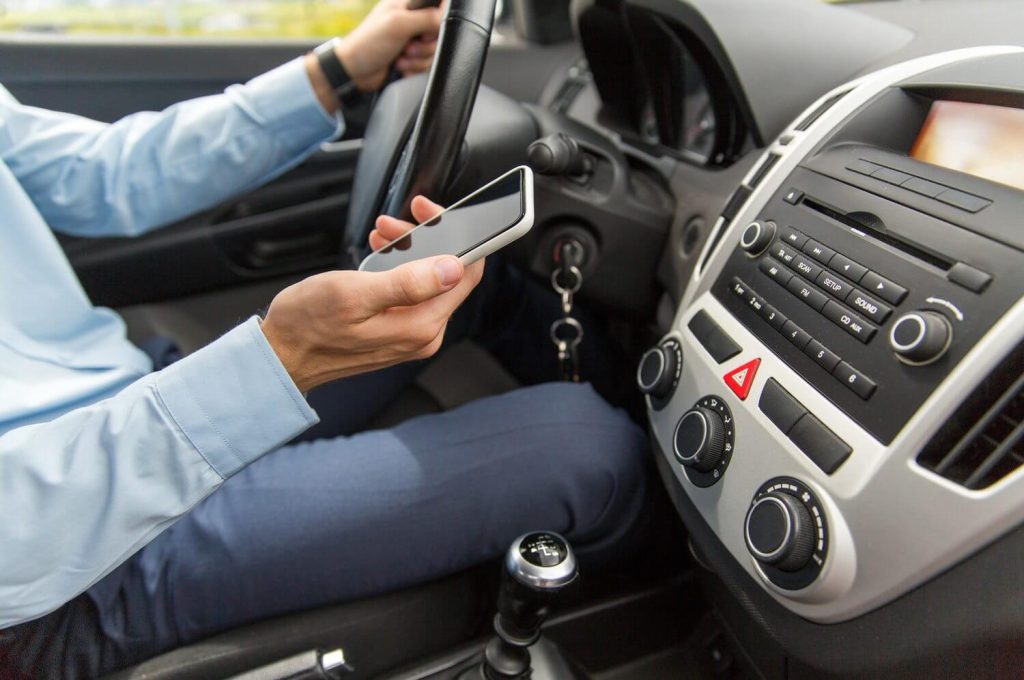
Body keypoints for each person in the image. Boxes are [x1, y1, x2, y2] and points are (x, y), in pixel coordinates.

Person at [0, 2, 647, 677]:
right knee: (589, 448)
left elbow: (103, 172)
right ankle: (667, 614)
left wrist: (337, 68)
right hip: (62, 565)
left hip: (119, 404)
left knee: (469, 285)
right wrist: (280, 362)